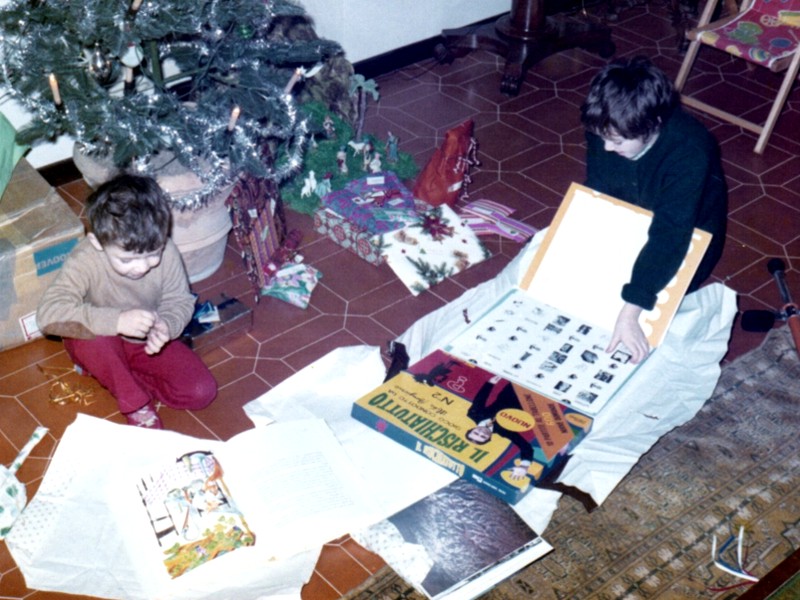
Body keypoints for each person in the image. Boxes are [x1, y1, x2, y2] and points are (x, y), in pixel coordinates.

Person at [36, 174, 217, 429]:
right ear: (97, 242)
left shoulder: (166, 250)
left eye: (152, 254)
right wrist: (117, 321)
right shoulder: (85, 259)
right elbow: (47, 316)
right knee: (95, 342)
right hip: (99, 341)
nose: (141, 267)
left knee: (200, 392)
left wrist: (167, 324)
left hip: (141, 343)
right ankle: (134, 401)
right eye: (127, 259)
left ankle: (120, 377)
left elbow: (179, 300)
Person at [580, 56, 728, 364]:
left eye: (617, 141)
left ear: (652, 125)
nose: (606, 148)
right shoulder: (606, 125)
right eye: (602, 137)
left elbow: (671, 233)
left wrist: (632, 309)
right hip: (637, 214)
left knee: (654, 312)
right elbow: (599, 190)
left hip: (689, 230)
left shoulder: (690, 150)